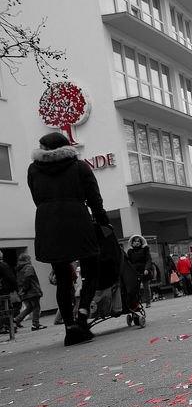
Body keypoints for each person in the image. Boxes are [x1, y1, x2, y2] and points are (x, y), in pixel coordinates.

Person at [27, 132, 108, 345]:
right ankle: (82, 316)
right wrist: (103, 222)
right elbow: (94, 198)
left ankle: (69, 326)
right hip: (77, 221)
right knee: (91, 271)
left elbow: (36, 198)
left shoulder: (34, 169)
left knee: (63, 278)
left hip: (48, 224)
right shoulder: (79, 167)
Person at [13, 254, 45, 330]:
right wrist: (25, 288)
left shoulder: (19, 269)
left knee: (30, 307)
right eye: (29, 259)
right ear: (26, 259)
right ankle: (35, 324)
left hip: (25, 292)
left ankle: (16, 320)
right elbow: (28, 278)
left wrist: (23, 290)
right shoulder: (28, 267)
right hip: (32, 290)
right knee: (36, 307)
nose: (30, 260)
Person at [127, 235, 153, 307]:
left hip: (144, 271)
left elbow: (149, 259)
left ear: (141, 242)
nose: (137, 243)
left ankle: (148, 302)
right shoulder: (130, 251)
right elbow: (129, 262)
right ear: (132, 243)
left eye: (138, 241)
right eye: (135, 241)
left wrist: (147, 269)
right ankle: (137, 303)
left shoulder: (145, 249)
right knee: (135, 288)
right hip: (135, 272)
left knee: (146, 287)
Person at [0, 252, 18, 334]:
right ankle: (8, 326)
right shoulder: (3, 265)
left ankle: (3, 326)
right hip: (4, 291)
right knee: (6, 308)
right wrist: (15, 287)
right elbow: (11, 278)